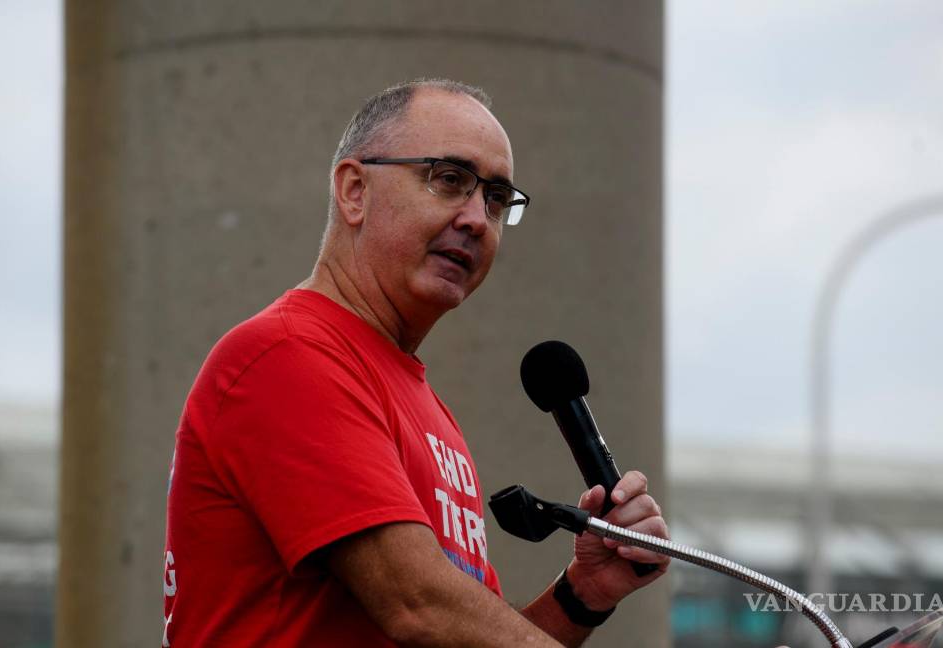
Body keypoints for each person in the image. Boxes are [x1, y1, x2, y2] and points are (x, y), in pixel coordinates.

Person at [162, 78, 671, 647]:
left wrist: (583, 593)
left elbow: (460, 632)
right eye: (449, 180)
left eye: (497, 199)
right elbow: (420, 606)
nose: (478, 218)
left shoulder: (425, 405)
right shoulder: (288, 354)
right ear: (354, 190)